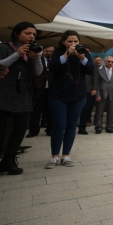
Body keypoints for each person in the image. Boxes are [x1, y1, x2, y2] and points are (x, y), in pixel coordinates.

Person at [0, 22, 43, 181]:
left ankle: (8, 161)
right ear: (17, 33)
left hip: (22, 95)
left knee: (20, 130)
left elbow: (38, 72)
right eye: (27, 33)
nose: (31, 37)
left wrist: (36, 59)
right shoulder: (2, 48)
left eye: (33, 35)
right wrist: (17, 53)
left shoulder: (32, 51)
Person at [46, 30, 94, 169]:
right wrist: (66, 54)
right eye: (69, 41)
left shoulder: (84, 52)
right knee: (59, 125)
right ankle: (55, 156)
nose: (73, 44)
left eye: (76, 41)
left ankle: (66, 155)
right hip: (58, 95)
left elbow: (90, 70)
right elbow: (53, 68)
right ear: (63, 42)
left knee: (72, 125)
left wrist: (81, 58)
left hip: (78, 95)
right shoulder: (57, 53)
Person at [27, 45, 54, 137]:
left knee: (51, 111)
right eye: (47, 51)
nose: (49, 53)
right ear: (43, 51)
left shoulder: (55, 61)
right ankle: (33, 130)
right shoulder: (37, 59)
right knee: (36, 112)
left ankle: (50, 130)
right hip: (38, 89)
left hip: (51, 90)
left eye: (51, 51)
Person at [93, 56, 113, 134]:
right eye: (108, 61)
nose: (110, 63)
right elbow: (96, 84)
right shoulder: (99, 71)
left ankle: (109, 127)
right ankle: (98, 127)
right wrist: (97, 95)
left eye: (112, 62)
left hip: (112, 94)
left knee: (111, 112)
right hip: (101, 94)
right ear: (105, 62)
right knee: (99, 112)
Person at [77, 48, 97, 135]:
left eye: (88, 52)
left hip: (88, 90)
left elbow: (95, 77)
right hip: (76, 89)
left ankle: (82, 127)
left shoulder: (93, 62)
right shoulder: (75, 59)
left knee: (86, 110)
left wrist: (94, 88)